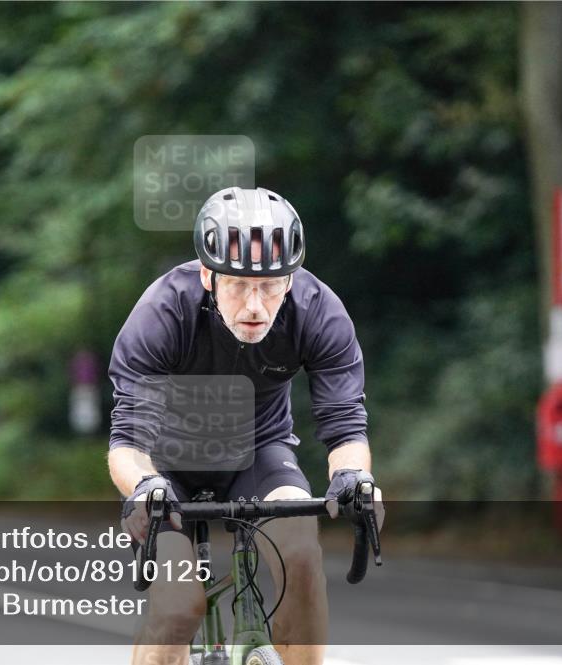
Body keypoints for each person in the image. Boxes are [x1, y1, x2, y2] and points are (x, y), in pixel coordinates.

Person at [108, 187, 378, 665]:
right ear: (208, 275)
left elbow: (345, 429)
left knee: (302, 555)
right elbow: (127, 444)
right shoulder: (163, 312)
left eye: (270, 285)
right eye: (238, 284)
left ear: (290, 280)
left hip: (260, 455)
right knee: (177, 607)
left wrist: (355, 479)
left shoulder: (318, 312)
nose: (255, 305)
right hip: (165, 469)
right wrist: (146, 486)